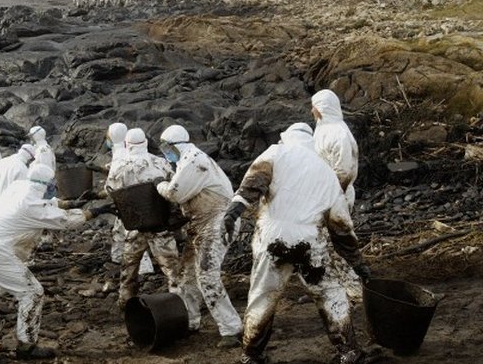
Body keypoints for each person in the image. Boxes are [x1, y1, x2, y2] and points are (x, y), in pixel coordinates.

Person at [222, 124, 370, 364]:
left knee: (262, 295)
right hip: (309, 242)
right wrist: (358, 262)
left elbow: (254, 183)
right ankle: (348, 351)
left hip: (272, 238)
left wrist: (233, 212)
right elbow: (340, 226)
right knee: (329, 292)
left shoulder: (276, 152)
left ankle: (251, 354)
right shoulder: (325, 171)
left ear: (287, 137)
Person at [0, 164, 111, 360]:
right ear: (45, 185)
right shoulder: (30, 205)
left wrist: (72, 203)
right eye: (51, 185)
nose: (53, 188)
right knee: (32, 292)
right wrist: (97, 211)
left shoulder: (20, 187)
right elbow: (65, 221)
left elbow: (47, 203)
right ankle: (26, 346)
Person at [155, 125, 243, 347]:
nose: (165, 152)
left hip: (217, 221)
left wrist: (159, 185)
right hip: (202, 224)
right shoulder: (187, 160)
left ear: (173, 145)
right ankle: (190, 321)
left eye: (166, 147)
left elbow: (176, 193)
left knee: (206, 275)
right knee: (186, 277)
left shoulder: (194, 160)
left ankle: (231, 329)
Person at [106, 128, 180, 308]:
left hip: (135, 225)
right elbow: (173, 189)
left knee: (129, 266)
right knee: (172, 269)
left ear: (126, 144)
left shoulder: (119, 166)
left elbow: (111, 190)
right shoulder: (161, 163)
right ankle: (181, 301)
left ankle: (126, 300)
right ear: (146, 143)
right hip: (159, 225)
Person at [311, 89, 359, 211]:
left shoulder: (338, 133)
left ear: (322, 107)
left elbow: (344, 170)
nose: (312, 111)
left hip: (337, 196)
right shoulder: (322, 128)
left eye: (314, 107)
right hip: (323, 193)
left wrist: (334, 195)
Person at [105, 122, 129, 264]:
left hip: (124, 196)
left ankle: (144, 268)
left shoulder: (119, 153)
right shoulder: (123, 148)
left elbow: (112, 182)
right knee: (119, 229)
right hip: (126, 195)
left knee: (132, 235)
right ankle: (117, 257)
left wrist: (104, 192)